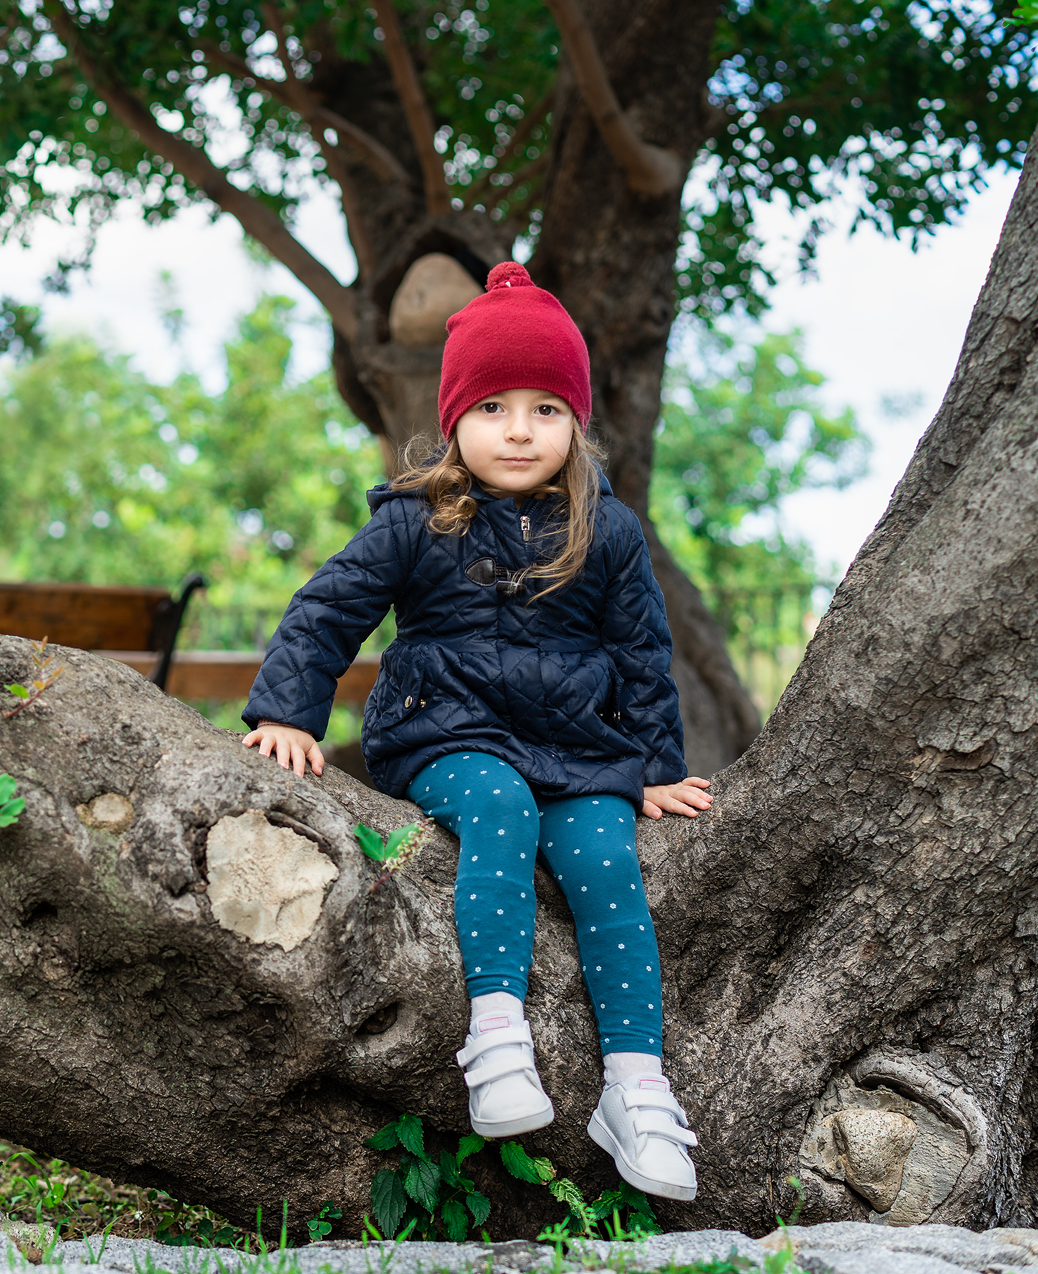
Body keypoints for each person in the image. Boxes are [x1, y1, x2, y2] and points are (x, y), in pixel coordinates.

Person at [239, 262, 711, 1202]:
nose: (520, 430)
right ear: (456, 418)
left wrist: (656, 766)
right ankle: (497, 1038)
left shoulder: (608, 530)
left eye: (545, 409)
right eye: (494, 408)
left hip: (577, 748)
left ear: (576, 423)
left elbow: (642, 652)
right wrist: (289, 712)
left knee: (607, 860)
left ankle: (636, 1087)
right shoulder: (417, 520)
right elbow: (328, 609)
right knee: (500, 810)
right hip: (446, 733)